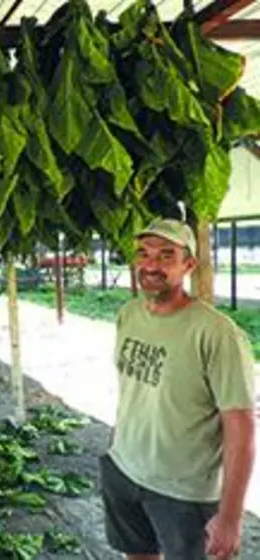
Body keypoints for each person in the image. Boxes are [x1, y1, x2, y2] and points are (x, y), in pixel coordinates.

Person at [100, 218, 256, 560]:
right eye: (144, 253)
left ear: (189, 265)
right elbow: (133, 389)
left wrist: (230, 518)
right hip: (123, 470)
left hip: (183, 492)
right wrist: (116, 446)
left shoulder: (216, 333)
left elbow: (241, 426)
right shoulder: (129, 314)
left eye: (166, 255)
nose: (151, 265)